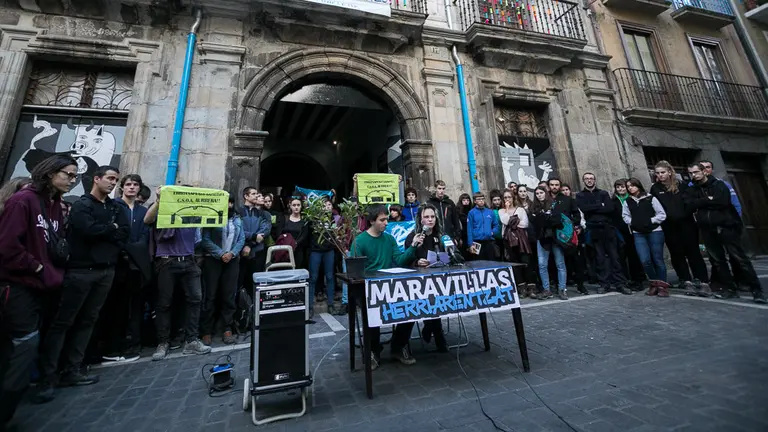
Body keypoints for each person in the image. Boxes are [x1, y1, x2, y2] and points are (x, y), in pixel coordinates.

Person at [37, 165, 130, 402]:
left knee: (88, 320)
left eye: (116, 180)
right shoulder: (82, 205)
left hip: (105, 270)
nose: (113, 183)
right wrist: (110, 229)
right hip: (80, 271)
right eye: (110, 178)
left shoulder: (114, 207)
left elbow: (124, 232)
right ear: (96, 179)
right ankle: (48, 376)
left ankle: (73, 369)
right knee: (63, 322)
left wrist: (108, 231)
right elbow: (88, 231)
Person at [0, 155, 76, 425]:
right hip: (19, 286)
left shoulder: (53, 205)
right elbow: (7, 246)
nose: (72, 180)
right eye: (68, 174)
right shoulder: (23, 201)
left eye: (75, 176)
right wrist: (38, 267)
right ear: (50, 173)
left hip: (44, 287)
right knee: (24, 345)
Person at [145, 187, 212, 361]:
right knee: (164, 303)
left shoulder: (194, 212)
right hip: (167, 261)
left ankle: (191, 340)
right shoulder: (164, 207)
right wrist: (159, 200)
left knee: (195, 300)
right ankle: (163, 342)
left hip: (189, 260)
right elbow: (147, 219)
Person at [350, 206, 421, 369]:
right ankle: (373, 350)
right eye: (382, 220)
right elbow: (355, 272)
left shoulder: (389, 239)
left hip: (389, 287)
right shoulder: (359, 242)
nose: (386, 223)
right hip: (368, 289)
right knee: (371, 311)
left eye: (386, 219)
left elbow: (400, 260)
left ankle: (398, 346)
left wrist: (413, 246)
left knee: (413, 306)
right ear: (371, 221)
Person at [685, 163, 765, 303]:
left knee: (739, 258)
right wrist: (707, 199)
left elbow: (722, 202)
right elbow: (689, 205)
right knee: (718, 260)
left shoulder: (719, 185)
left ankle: (757, 290)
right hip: (707, 228)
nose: (693, 175)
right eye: (691, 173)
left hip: (725, 226)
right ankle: (729, 288)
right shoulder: (691, 189)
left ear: (704, 171)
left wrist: (701, 202)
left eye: (696, 172)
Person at [96, 174, 151, 363]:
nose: (132, 187)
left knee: (135, 306)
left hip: (137, 264)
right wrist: (126, 249)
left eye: (135, 184)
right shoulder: (114, 206)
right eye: (128, 184)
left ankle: (133, 343)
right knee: (116, 306)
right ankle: (112, 345)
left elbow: (145, 234)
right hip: (119, 262)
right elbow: (114, 233)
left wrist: (136, 251)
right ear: (122, 187)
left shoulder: (142, 211)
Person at [651, 161, 710, 296]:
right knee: (677, 253)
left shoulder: (682, 185)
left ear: (669, 172)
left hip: (687, 224)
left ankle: (703, 281)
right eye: (658, 173)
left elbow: (690, 203)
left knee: (693, 252)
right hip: (669, 225)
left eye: (663, 172)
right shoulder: (655, 188)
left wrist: (685, 214)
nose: (660, 175)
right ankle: (685, 280)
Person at [200, 194, 245, 345]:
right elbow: (205, 239)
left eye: (231, 202)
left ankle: (227, 328)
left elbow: (241, 239)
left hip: (232, 260)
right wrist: (220, 254)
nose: (229, 205)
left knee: (229, 295)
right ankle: (206, 330)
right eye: (226, 202)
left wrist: (232, 253)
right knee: (210, 295)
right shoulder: (211, 217)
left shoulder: (237, 219)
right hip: (213, 260)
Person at [576, 173, 630, 295]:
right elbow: (583, 208)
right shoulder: (580, 195)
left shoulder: (603, 193)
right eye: (587, 179)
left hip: (607, 228)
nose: (589, 180)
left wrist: (593, 207)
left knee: (614, 257)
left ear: (595, 180)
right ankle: (604, 284)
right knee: (599, 258)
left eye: (591, 178)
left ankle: (620, 283)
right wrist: (600, 205)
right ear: (583, 181)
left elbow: (609, 208)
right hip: (593, 229)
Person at [404, 204, 449, 352]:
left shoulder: (441, 236)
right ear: (420, 219)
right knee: (431, 300)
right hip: (419, 283)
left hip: (440, 279)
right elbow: (405, 261)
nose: (430, 220)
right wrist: (417, 262)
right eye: (426, 217)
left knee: (438, 299)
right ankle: (438, 334)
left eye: (432, 217)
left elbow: (451, 254)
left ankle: (430, 327)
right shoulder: (413, 236)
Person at [622, 178, 669, 296]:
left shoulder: (650, 198)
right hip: (638, 233)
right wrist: (633, 222)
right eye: (628, 186)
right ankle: (654, 283)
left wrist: (650, 221)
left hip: (654, 231)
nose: (630, 188)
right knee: (645, 260)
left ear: (638, 185)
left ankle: (662, 286)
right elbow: (625, 216)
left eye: (632, 185)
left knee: (658, 259)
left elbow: (661, 214)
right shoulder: (628, 201)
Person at [530, 186, 567, 300]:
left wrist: (544, 218)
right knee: (542, 264)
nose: (539, 195)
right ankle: (547, 289)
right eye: (537, 193)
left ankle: (562, 289)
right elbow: (534, 223)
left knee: (560, 264)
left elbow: (557, 221)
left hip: (555, 238)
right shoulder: (534, 207)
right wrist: (545, 217)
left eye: (541, 192)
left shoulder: (554, 204)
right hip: (542, 238)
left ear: (545, 193)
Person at [499, 189, 535, 297]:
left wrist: (513, 222)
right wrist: (508, 211)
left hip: (522, 239)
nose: (507, 199)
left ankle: (531, 287)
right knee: (515, 262)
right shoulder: (502, 211)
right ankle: (521, 287)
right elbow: (505, 221)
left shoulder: (520, 209)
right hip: (509, 240)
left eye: (509, 197)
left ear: (513, 198)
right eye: (505, 197)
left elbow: (525, 223)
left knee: (526, 261)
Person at [611, 179, 645, 290]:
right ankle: (626, 279)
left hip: (634, 230)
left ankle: (639, 279)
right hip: (620, 232)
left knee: (635, 256)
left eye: (622, 187)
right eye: (618, 187)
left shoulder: (632, 199)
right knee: (622, 257)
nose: (620, 189)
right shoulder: (613, 201)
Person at [239, 187, 272, 292]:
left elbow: (263, 233)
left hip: (257, 252)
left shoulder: (261, 214)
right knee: (238, 283)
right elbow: (238, 231)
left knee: (255, 285)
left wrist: (250, 245)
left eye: (257, 194)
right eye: (253, 194)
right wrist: (253, 236)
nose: (256, 196)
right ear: (246, 196)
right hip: (240, 251)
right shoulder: (238, 211)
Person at [467, 192, 499, 260]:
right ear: (475, 201)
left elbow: (496, 225)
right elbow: (469, 229)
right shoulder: (471, 213)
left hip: (489, 241)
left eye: (482, 199)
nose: (481, 201)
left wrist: (492, 232)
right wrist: (470, 244)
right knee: (479, 262)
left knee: (491, 262)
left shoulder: (490, 212)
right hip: (477, 242)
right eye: (479, 199)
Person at [281, 197, 309, 269]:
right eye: (294, 205)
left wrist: (295, 243)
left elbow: (304, 235)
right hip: (285, 249)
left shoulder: (304, 220)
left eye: (298, 205)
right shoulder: (285, 218)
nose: (296, 207)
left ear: (301, 206)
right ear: (290, 206)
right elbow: (280, 233)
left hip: (299, 250)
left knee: (298, 269)